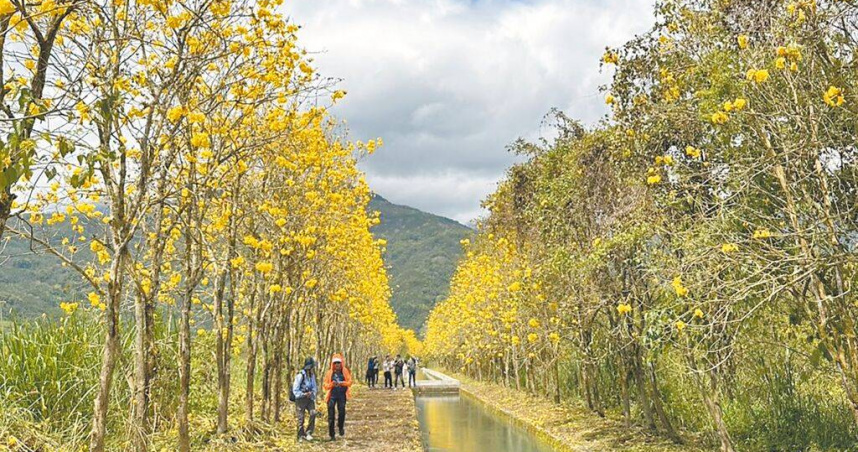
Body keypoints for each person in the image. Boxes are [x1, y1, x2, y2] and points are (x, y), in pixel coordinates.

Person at [323, 353, 352, 441]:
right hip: (331, 396)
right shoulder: (329, 373)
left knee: (342, 412)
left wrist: (341, 383)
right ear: (333, 364)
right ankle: (332, 435)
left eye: (338, 363)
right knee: (331, 415)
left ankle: (340, 427)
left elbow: (349, 382)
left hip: (342, 395)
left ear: (341, 363)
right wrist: (332, 384)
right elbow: (325, 385)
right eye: (335, 363)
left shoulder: (345, 371)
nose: (337, 365)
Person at [292, 357, 318, 441]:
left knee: (313, 413)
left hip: (309, 399)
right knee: (301, 418)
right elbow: (295, 390)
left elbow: (314, 387)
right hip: (300, 400)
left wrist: (312, 393)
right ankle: (300, 435)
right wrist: (303, 394)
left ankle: (309, 432)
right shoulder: (300, 375)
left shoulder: (312, 375)